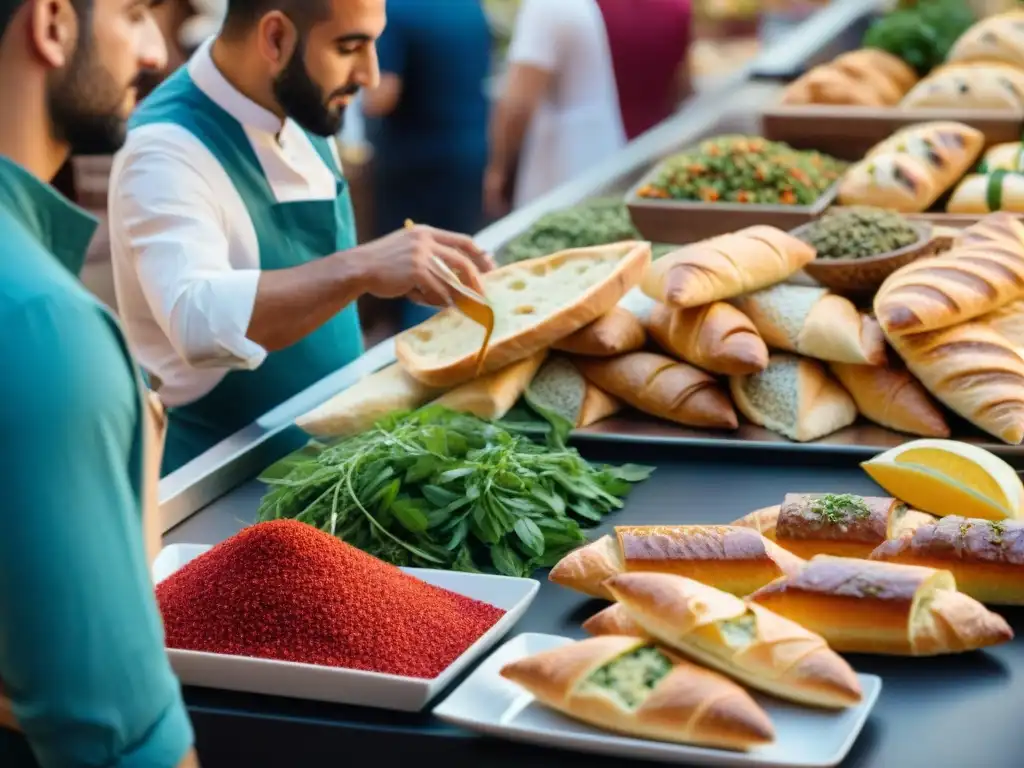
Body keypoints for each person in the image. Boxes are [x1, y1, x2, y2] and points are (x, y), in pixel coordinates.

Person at [108, 0, 495, 475]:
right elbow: (196, 317)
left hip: (333, 470)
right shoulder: (162, 147)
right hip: (224, 488)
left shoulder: (300, 101)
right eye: (350, 47)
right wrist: (362, 268)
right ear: (275, 38)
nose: (371, 74)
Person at [0, 0, 200, 766]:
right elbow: (117, 741)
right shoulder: (47, 327)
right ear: (52, 23)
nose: (154, 52)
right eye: (135, 13)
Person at [486, 0, 693, 215]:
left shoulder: (551, 6)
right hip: (648, 171)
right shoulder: (675, 6)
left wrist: (499, 170)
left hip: (570, 174)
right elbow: (682, 89)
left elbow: (518, 105)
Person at [361, 0, 493, 330]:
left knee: (416, 277)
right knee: (458, 267)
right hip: (469, 151)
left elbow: (381, 96)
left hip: (417, 169)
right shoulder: (469, 6)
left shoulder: (396, 12)